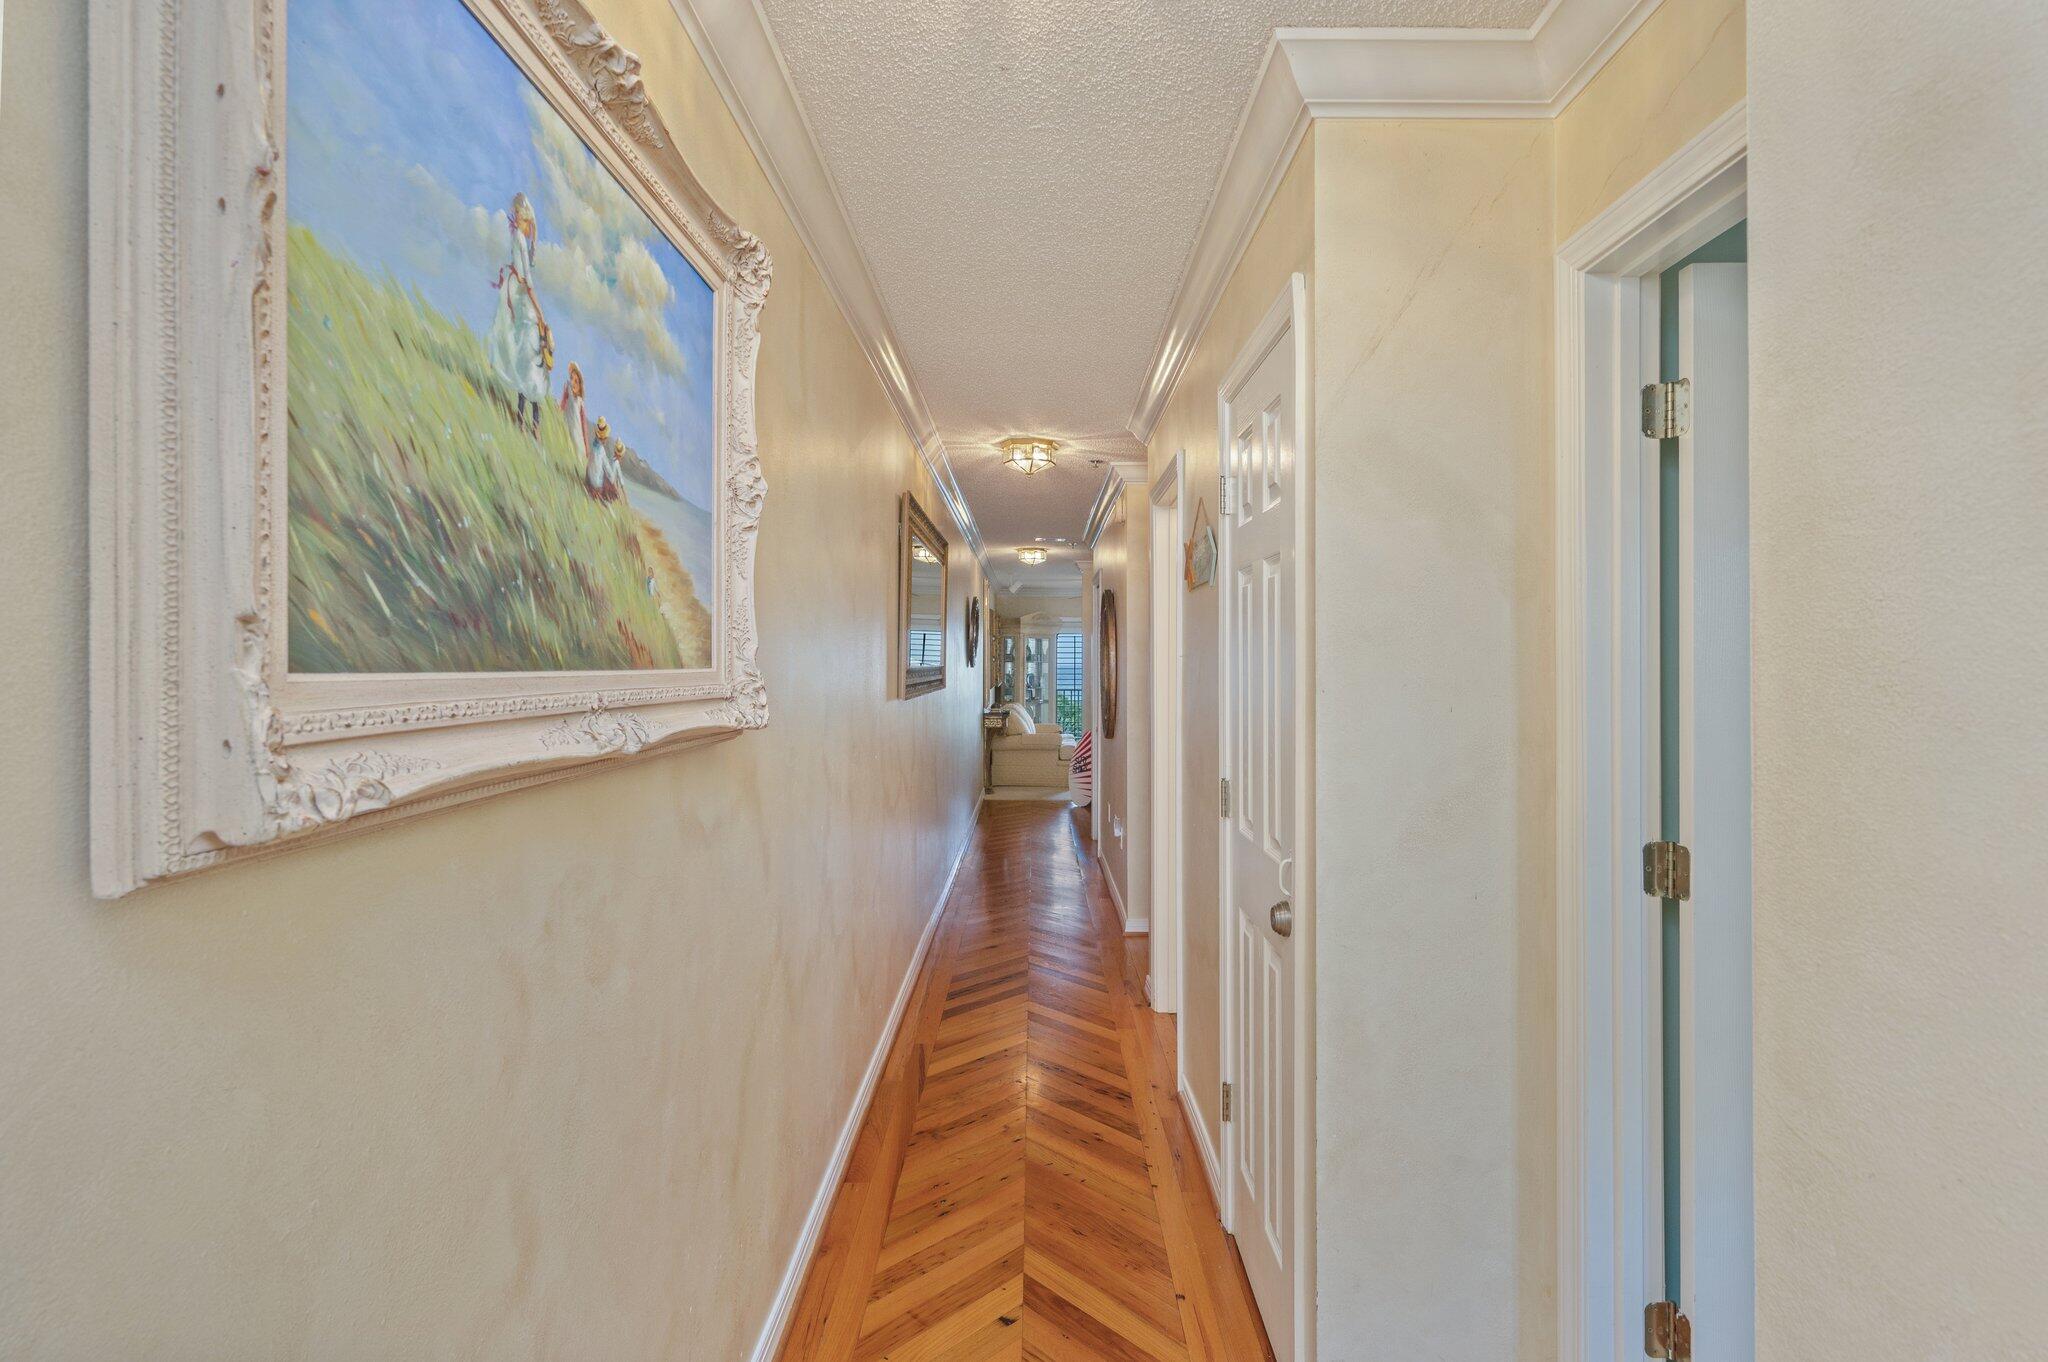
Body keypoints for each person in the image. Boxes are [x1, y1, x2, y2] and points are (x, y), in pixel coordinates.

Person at [489, 192, 552, 435]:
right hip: (524, 301)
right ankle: (529, 422)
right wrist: (541, 314)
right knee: (531, 359)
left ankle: (524, 419)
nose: (527, 226)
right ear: (523, 219)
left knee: (527, 359)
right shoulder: (520, 239)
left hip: (520, 296)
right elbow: (528, 281)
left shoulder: (521, 239)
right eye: (527, 223)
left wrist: (534, 238)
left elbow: (528, 266)